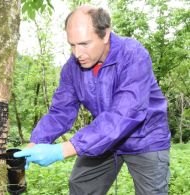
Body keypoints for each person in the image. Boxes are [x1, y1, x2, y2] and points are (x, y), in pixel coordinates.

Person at [14, 6, 171, 195]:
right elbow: (61, 112)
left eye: (84, 44)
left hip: (145, 138)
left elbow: (123, 115)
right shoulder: (72, 68)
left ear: (105, 35)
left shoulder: (133, 55)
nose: (77, 53)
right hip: (102, 138)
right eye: (72, 45)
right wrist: (36, 142)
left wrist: (62, 150)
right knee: (81, 185)